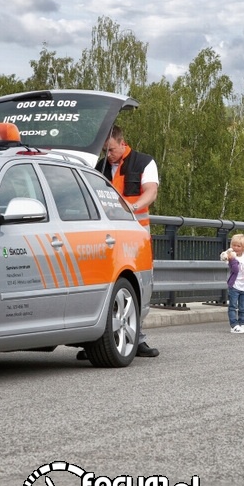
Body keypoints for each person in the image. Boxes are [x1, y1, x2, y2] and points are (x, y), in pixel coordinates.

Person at [80, 124, 160, 359]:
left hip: (136, 235)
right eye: (105, 150)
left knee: (136, 286)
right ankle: (98, 342)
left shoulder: (144, 162)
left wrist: (131, 208)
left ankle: (137, 339)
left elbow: (151, 192)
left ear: (122, 142)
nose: (109, 154)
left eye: (112, 149)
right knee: (106, 286)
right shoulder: (100, 167)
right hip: (106, 236)